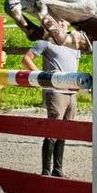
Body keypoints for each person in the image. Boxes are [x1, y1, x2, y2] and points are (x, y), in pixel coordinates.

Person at [21, 21, 81, 177]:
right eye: (57, 20)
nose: (61, 22)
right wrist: (43, 76)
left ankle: (58, 169)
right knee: (53, 128)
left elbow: (76, 65)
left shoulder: (74, 43)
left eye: (63, 20)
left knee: (65, 131)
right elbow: (26, 59)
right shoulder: (46, 41)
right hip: (55, 91)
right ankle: (46, 170)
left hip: (71, 92)